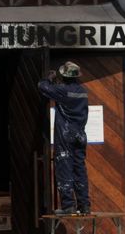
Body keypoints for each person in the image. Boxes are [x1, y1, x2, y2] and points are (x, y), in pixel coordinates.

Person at [38, 61, 90, 215]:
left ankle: (68, 206)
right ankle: (84, 205)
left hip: (65, 135)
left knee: (64, 167)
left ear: (65, 77)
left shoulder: (62, 90)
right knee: (79, 168)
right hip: (80, 135)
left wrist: (49, 78)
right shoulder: (83, 91)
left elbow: (42, 87)